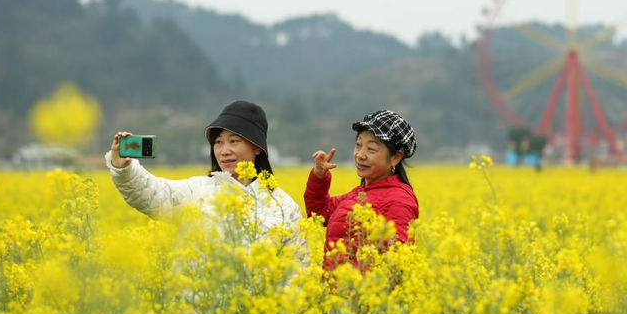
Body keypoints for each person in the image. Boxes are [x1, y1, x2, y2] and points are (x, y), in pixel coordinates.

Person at [106, 100, 302, 241]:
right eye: (218, 143)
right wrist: (124, 168)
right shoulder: (197, 192)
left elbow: (297, 269)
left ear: (257, 147)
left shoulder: (283, 206)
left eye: (233, 141)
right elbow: (153, 194)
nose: (224, 151)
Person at [304, 110, 419, 271]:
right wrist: (319, 177)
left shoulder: (398, 200)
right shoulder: (359, 194)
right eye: (358, 145)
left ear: (396, 157)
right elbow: (318, 213)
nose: (360, 155)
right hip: (341, 293)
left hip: (361, 294)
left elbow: (395, 264)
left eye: (371, 149)